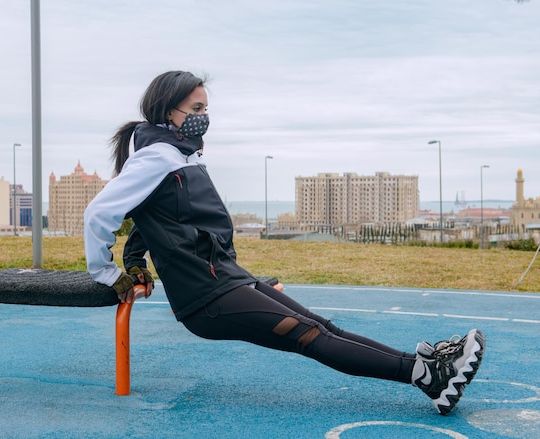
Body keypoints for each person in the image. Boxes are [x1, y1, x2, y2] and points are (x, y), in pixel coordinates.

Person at [83, 70, 485, 415]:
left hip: (227, 278)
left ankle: (426, 370)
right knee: (311, 336)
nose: (203, 118)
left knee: (322, 326)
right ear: (167, 111)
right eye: (196, 109)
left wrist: (135, 258)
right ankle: (425, 375)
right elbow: (100, 213)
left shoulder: (183, 156)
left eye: (206, 109)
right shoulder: (156, 158)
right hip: (206, 297)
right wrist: (107, 272)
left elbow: (150, 213)